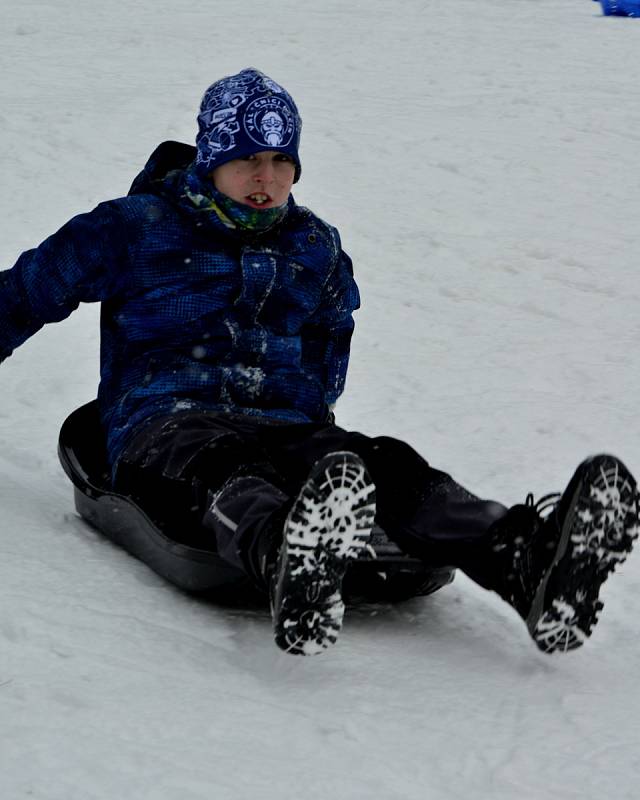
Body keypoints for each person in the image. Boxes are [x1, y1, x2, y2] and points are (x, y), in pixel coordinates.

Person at [1, 68, 638, 657]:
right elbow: (26, 292)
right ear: (212, 158)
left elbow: (331, 334)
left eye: (282, 161)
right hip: (163, 419)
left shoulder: (312, 245)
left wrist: (313, 419)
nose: (266, 178)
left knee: (386, 464)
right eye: (248, 158)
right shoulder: (132, 229)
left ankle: (525, 560)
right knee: (220, 465)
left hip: (284, 420)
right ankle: (287, 555)